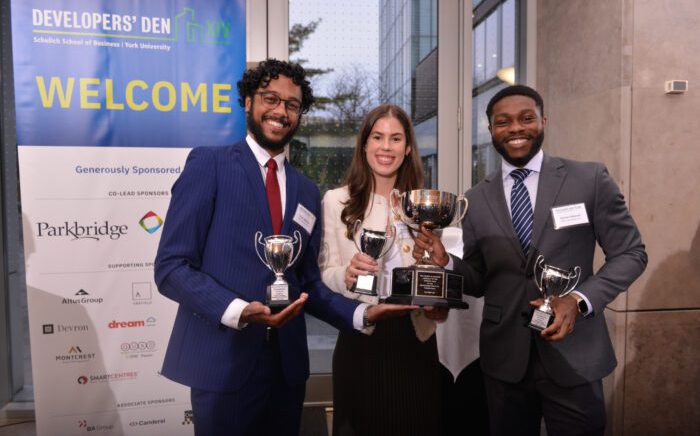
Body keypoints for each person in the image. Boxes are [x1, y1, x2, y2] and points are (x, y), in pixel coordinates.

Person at [154, 59, 414, 436]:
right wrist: (241, 310)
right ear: (247, 102)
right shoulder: (209, 165)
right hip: (224, 361)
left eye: (292, 104)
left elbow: (307, 281)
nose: (280, 111)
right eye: (270, 98)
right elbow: (172, 267)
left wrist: (362, 316)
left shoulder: (306, 190)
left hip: (286, 370)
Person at [414, 85, 647, 436]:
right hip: (505, 359)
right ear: (491, 129)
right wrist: (447, 262)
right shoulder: (475, 199)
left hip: (575, 352)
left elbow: (631, 253)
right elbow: (478, 279)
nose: (515, 129)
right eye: (502, 122)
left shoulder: (589, 180)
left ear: (543, 121)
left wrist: (578, 301)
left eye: (526, 118)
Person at [319, 104, 446, 436]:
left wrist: (437, 299)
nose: (385, 147)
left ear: (407, 149)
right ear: (364, 144)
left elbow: (432, 277)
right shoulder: (337, 201)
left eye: (395, 138)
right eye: (377, 137)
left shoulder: (423, 206)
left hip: (416, 342)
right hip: (361, 339)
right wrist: (345, 274)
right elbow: (325, 271)